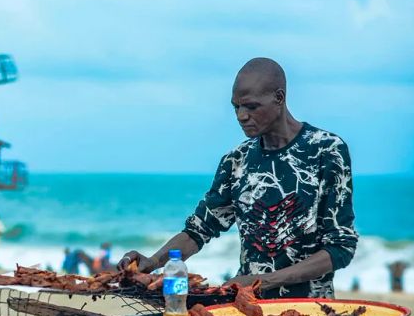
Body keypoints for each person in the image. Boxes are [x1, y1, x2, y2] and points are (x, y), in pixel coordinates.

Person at [119, 58, 358, 299]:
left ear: (279, 97)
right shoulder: (236, 160)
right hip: (246, 306)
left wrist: (262, 281)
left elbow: (340, 248)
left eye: (252, 107)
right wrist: (153, 261)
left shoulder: (326, 151)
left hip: (310, 310)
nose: (241, 116)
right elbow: (199, 230)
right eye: (236, 107)